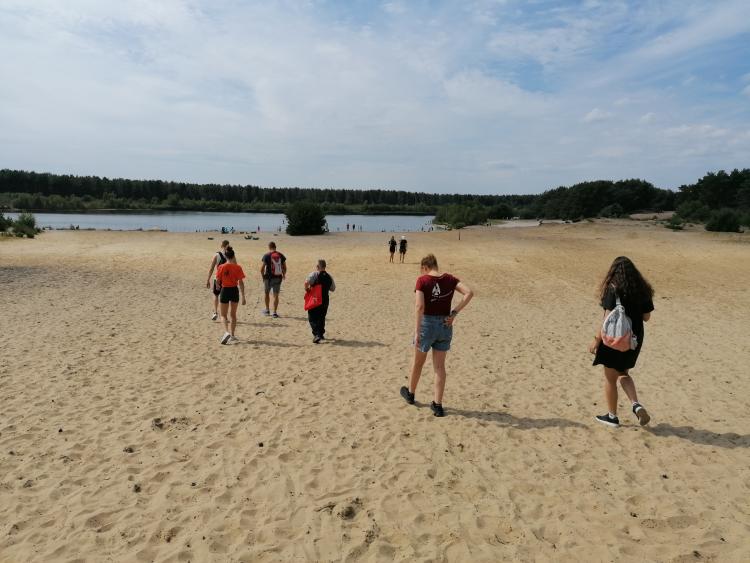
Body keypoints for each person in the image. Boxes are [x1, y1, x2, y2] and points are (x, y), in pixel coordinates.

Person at [400, 254, 473, 417]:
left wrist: (417, 330)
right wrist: (454, 313)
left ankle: (411, 394)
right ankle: (438, 405)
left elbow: (419, 306)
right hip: (445, 324)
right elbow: (469, 292)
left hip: (427, 324)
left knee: (418, 362)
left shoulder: (422, 280)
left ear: (425, 267)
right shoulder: (450, 279)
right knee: (439, 367)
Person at [589, 256, 654, 428]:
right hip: (632, 340)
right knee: (624, 373)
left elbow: (606, 319)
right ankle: (636, 404)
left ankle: (612, 417)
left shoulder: (613, 289)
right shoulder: (643, 290)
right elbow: (646, 317)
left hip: (612, 340)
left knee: (610, 379)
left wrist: (596, 341)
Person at [215, 246, 246, 344]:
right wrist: (243, 296)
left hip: (225, 290)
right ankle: (232, 335)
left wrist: (218, 288)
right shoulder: (238, 267)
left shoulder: (221, 267)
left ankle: (226, 332)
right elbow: (241, 282)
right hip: (234, 290)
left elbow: (218, 281)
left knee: (223, 315)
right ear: (233, 256)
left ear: (225, 256)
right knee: (233, 315)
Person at [304, 259, 336, 344]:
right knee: (322, 317)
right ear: (324, 266)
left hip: (315, 299)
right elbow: (333, 289)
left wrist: (307, 289)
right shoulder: (329, 276)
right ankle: (321, 334)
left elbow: (306, 282)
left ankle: (316, 335)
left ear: (318, 267)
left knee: (312, 317)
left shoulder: (314, 274)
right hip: (325, 299)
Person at [260, 241, 286, 318]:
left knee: (266, 293)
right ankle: (274, 312)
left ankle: (267, 310)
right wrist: (284, 274)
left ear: (269, 247)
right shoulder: (280, 255)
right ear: (275, 247)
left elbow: (261, 269)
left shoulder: (266, 255)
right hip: (278, 277)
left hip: (268, 278)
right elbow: (284, 267)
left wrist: (263, 277)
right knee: (276, 295)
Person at [205, 240, 230, 321]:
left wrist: (208, 279)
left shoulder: (217, 255)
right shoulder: (230, 255)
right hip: (227, 280)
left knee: (216, 295)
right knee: (225, 298)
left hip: (218, 278)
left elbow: (211, 268)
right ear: (228, 245)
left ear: (221, 245)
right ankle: (225, 316)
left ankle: (215, 312)